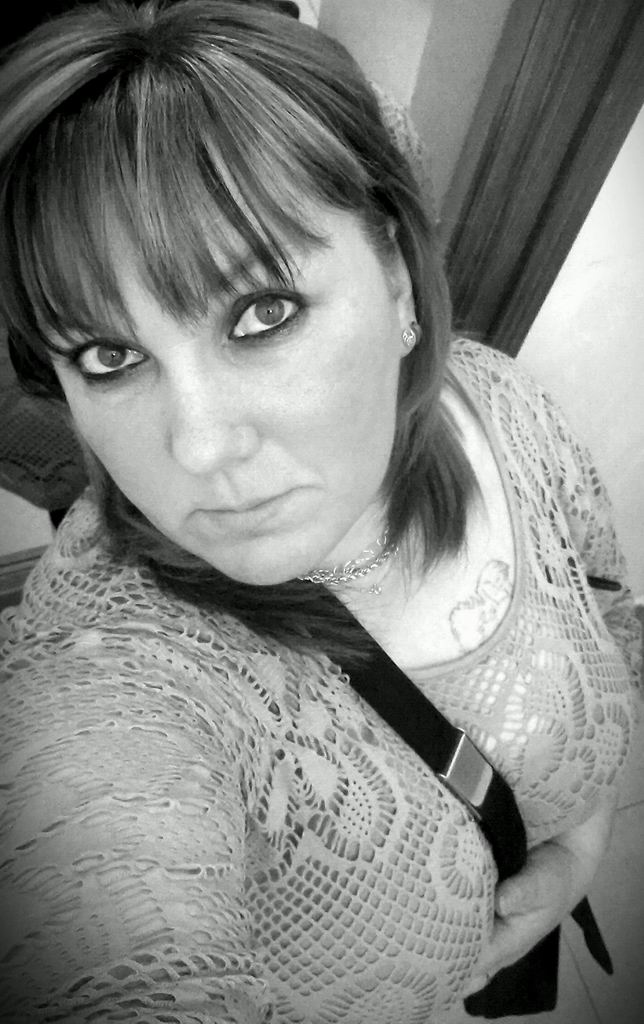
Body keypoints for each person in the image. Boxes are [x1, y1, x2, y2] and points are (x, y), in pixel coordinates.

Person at [0, 1, 640, 1021]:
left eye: (263, 312)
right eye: (109, 356)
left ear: (396, 276)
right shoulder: (110, 663)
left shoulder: (505, 404)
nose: (198, 447)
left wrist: (579, 842)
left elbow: (604, 602)